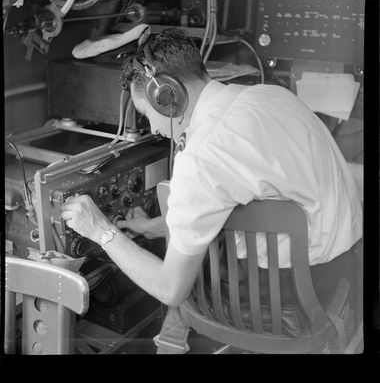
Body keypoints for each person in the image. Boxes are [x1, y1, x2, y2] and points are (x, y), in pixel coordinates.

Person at [61, 29, 362, 314]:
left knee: (179, 290)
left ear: (166, 96)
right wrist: (155, 226)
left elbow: (170, 289)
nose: (152, 128)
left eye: (146, 114)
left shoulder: (202, 155)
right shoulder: (269, 95)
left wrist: (102, 231)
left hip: (297, 292)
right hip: (349, 266)